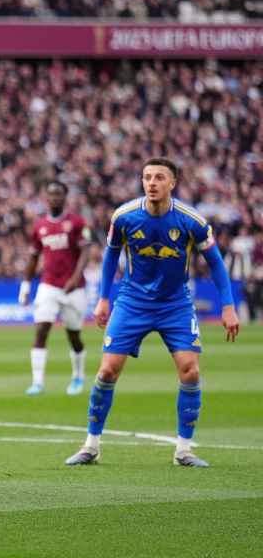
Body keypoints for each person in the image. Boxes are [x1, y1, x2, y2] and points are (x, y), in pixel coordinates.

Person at [65, 159, 240, 468]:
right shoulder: (124, 216)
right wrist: (104, 298)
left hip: (175, 304)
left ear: (172, 183)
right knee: (106, 371)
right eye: (147, 177)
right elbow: (110, 256)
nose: (152, 182)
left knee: (191, 370)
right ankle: (91, 446)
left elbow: (215, 262)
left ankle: (184, 450)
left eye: (159, 177)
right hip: (132, 302)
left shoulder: (191, 220)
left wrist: (227, 306)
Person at [19, 181, 91, 396]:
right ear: (46, 197)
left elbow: (85, 253)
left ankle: (78, 376)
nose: (54, 198)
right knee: (41, 330)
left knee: (73, 335)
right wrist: (25, 285)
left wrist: (75, 278)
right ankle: (38, 382)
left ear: (65, 196)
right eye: (50, 194)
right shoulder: (39, 224)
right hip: (48, 285)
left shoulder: (77, 222)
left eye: (58, 194)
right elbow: (33, 257)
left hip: (74, 288)